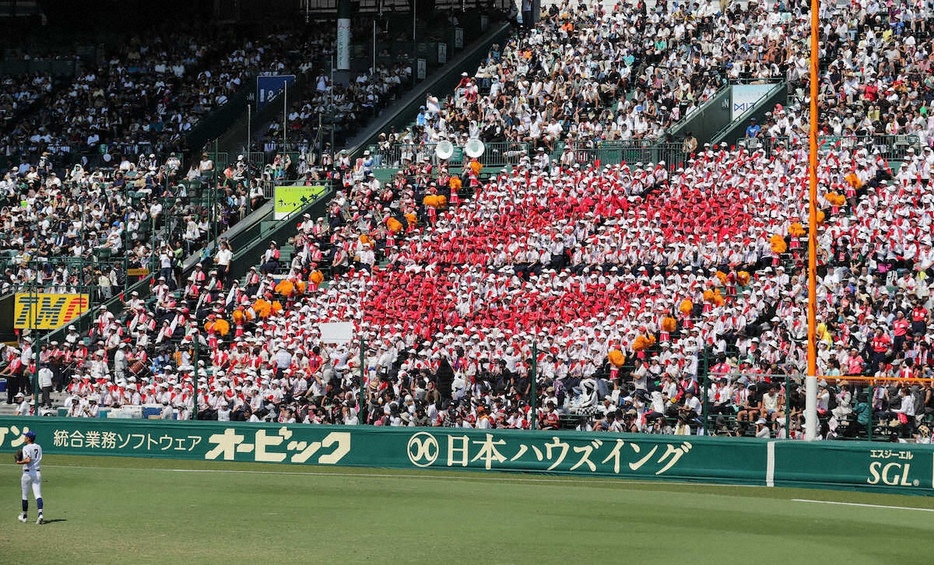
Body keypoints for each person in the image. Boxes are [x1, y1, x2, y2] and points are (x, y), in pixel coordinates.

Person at [16, 430, 44, 524]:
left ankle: (24, 516)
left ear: (28, 438)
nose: (24, 438)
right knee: (38, 495)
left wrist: (19, 462)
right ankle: (40, 514)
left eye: (25, 436)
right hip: (37, 473)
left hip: (27, 474)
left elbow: (28, 460)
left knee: (25, 495)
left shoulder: (26, 447)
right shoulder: (39, 447)